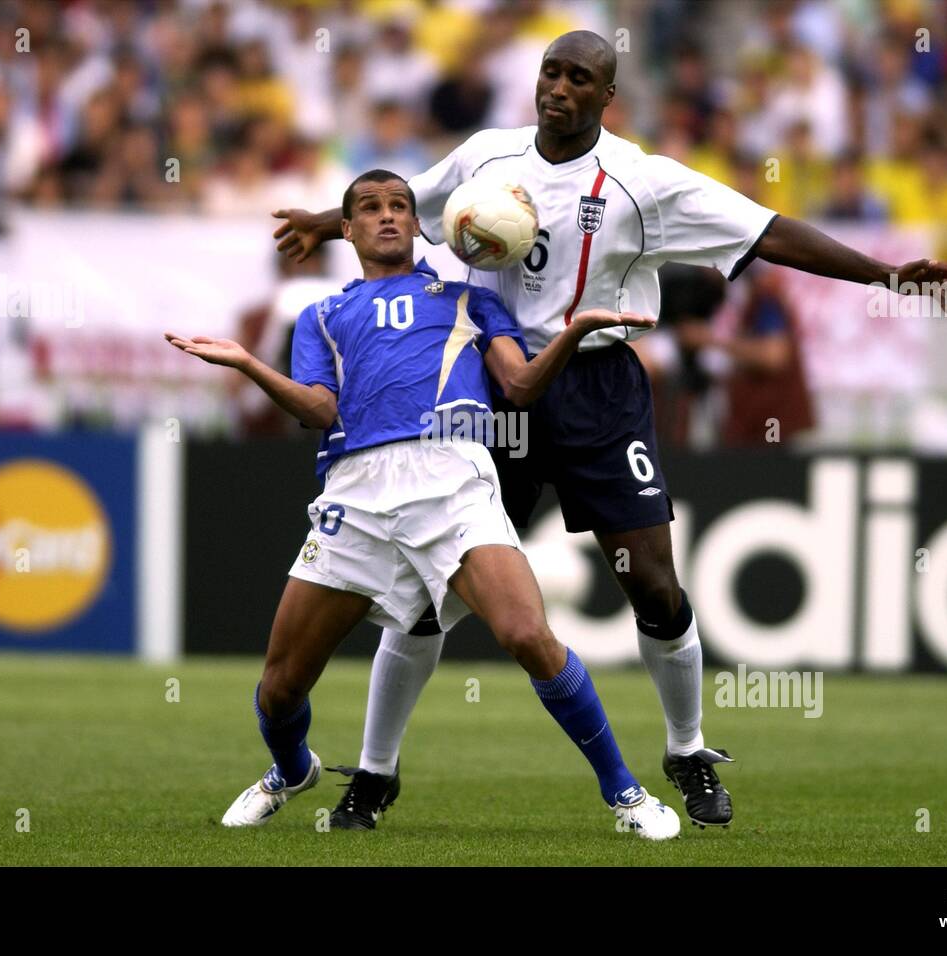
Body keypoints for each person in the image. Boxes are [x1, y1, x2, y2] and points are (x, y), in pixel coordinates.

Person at [272, 31, 947, 831]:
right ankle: (374, 775)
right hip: (492, 388)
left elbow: (768, 232)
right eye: (551, 72)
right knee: (427, 598)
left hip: (599, 391)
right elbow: (401, 206)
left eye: (579, 79)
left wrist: (886, 274)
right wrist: (323, 224)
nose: (559, 89)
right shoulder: (486, 160)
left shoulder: (643, 182)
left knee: (653, 583)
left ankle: (687, 748)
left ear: (607, 97)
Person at [166, 168, 678, 839]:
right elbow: (319, 408)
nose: (387, 217)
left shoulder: (468, 300)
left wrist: (573, 334)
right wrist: (248, 366)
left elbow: (520, 388)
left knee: (528, 634)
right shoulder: (322, 315)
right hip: (356, 493)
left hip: (452, 478)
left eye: (400, 207)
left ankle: (628, 794)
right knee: (280, 687)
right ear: (344, 228)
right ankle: (292, 770)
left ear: (418, 224)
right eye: (370, 208)